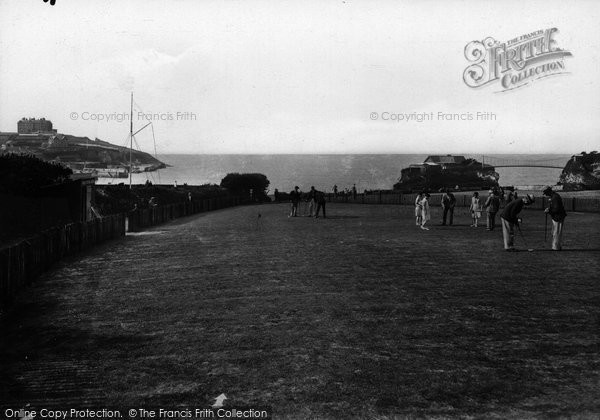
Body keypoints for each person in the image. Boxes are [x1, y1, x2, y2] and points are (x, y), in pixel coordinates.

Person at [542, 186, 567, 251]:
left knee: (556, 232)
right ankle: (556, 246)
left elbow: (556, 209)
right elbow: (554, 208)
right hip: (557, 216)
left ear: (548, 192)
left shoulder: (555, 197)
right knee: (555, 232)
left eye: (545, 193)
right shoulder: (554, 196)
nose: (546, 195)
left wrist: (549, 211)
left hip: (558, 217)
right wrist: (549, 209)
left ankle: (556, 247)